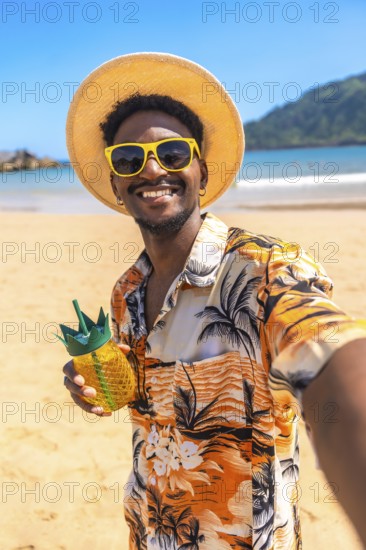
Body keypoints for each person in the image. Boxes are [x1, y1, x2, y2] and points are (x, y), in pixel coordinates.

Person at [63, 53, 366, 549]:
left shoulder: (267, 271)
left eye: (174, 154)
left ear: (202, 172)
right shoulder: (128, 292)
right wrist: (98, 386)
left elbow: (327, 355)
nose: (153, 168)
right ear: (118, 185)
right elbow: (146, 399)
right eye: (128, 159)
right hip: (150, 532)